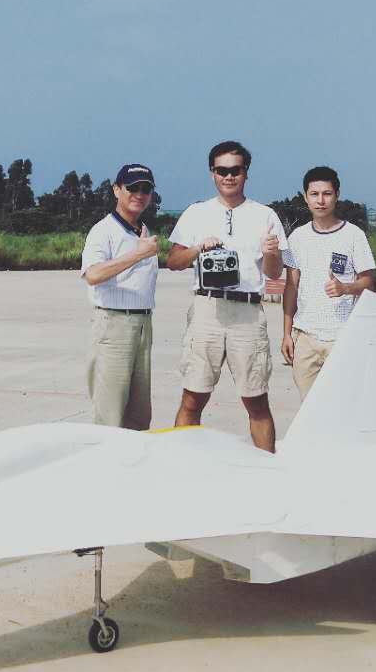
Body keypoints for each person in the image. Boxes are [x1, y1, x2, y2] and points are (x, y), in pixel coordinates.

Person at [167, 141, 286, 451]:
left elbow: (274, 273)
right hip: (207, 308)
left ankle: (267, 469)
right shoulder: (196, 213)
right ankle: (181, 460)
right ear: (212, 173)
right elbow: (173, 261)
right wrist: (198, 248)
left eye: (236, 170)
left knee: (256, 399)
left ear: (246, 173)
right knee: (193, 396)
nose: (229, 177)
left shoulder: (265, 215)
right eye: (222, 170)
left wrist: (272, 253)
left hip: (247, 312)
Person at [280, 165, 376, 400]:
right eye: (314, 194)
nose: (320, 200)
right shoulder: (298, 237)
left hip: (342, 338)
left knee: (341, 405)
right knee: (309, 408)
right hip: (305, 337)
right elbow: (291, 287)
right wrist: (287, 333)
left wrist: (346, 288)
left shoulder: (353, 235)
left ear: (337, 195)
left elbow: (368, 282)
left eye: (327, 194)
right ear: (305, 197)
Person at [81, 163, 161, 430]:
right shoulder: (103, 231)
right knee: (110, 414)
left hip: (143, 326)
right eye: (132, 188)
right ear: (117, 190)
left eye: (146, 189)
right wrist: (137, 254)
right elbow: (93, 274)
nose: (139, 194)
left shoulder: (143, 230)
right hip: (114, 326)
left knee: (139, 416)